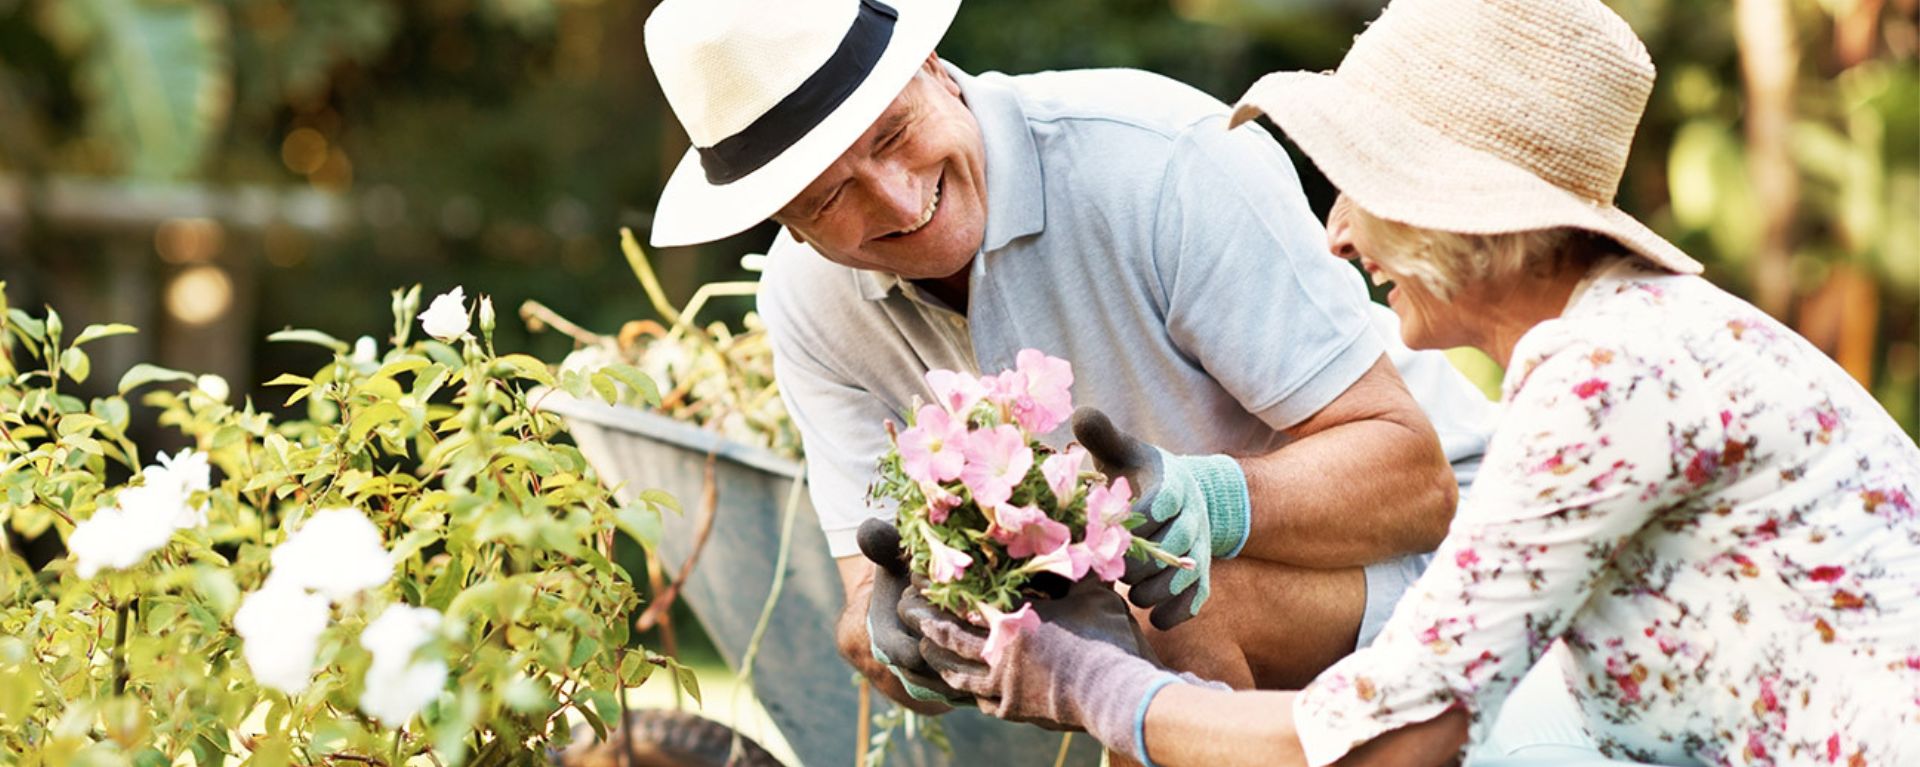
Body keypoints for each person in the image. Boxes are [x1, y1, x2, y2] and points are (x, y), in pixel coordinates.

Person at [908, 0, 1920, 764]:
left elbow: (1390, 742)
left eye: (1364, 181)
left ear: (1462, 209)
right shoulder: (1615, 348)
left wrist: (1083, 681)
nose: (1339, 230)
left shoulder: (1608, 384)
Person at [639, 0, 1499, 716]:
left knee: (1177, 591)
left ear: (934, 65)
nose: (898, 201)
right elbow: (865, 601)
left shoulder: (1161, 162)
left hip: (1457, 573)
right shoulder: (805, 300)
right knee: (1140, 606)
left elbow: (1419, 484)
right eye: (829, 198)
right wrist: (900, 636)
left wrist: (1212, 498)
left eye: (894, 133)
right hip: (1149, 660)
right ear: (785, 221)